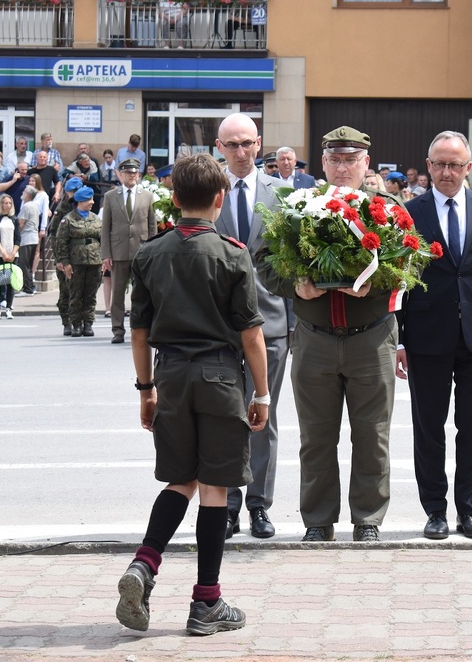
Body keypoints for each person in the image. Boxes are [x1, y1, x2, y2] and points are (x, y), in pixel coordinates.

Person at [115, 152, 269, 637]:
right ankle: (206, 603)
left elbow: (138, 331)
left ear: (174, 198)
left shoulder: (150, 253)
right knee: (215, 487)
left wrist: (146, 389)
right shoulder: (231, 252)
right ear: (220, 199)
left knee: (180, 478)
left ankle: (145, 564)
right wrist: (262, 394)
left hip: (171, 376)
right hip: (221, 377)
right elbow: (250, 334)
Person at [256, 126, 397, 544]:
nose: (342, 168)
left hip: (370, 337)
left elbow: (414, 263)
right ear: (322, 163)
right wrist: (295, 283)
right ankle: (318, 519)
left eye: (350, 160)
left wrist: (380, 280)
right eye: (335, 160)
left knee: (372, 434)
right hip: (314, 337)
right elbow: (264, 261)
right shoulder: (298, 207)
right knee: (316, 436)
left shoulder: (385, 209)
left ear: (365, 164)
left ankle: (368, 518)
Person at [396, 130, 472, 540]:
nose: (447, 172)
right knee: (428, 429)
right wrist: (400, 339)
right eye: (439, 164)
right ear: (428, 167)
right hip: (427, 336)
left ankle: (469, 509)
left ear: (468, 168)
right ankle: (435, 512)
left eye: (455, 164)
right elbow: (401, 281)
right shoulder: (409, 212)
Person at [213, 113, 291, 540]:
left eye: (247, 144)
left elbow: (293, 263)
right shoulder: (209, 192)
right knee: (227, 418)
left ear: (258, 144)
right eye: (232, 145)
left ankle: (260, 505)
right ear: (219, 147)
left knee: (264, 416)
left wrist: (292, 323)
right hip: (221, 327)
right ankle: (227, 506)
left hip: (272, 326)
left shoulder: (282, 193)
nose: (241, 153)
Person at [101, 158, 157, 344]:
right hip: (118, 252)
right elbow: (106, 227)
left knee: (141, 293)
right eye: (128, 173)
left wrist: (152, 250)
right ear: (121, 174)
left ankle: (140, 328)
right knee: (117, 294)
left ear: (138, 175)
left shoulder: (147, 196)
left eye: (134, 173)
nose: (132, 176)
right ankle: (118, 330)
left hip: (141, 251)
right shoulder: (111, 196)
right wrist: (106, 254)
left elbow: (152, 226)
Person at [55, 185, 102, 337]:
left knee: (90, 294)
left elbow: (104, 240)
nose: (92, 202)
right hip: (76, 262)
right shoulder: (68, 220)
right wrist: (65, 263)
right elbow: (61, 242)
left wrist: (105, 259)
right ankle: (76, 324)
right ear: (80, 201)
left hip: (94, 261)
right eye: (89, 199)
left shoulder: (96, 219)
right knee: (75, 294)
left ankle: (88, 324)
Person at [48, 177, 83, 335]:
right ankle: (66, 322)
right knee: (66, 290)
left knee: (80, 291)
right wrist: (59, 259)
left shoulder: (84, 206)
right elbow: (54, 234)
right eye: (71, 192)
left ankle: (79, 321)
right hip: (65, 255)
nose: (73, 195)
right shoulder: (62, 208)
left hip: (82, 256)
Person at [0, 194, 21, 320]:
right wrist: (2, 252)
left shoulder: (14, 219)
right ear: (1, 204)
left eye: (9, 203)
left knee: (9, 282)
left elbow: (18, 237)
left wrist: (13, 253)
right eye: (5, 203)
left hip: (12, 254)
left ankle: (8, 307)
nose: (7, 205)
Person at [17, 186, 42, 296]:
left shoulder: (26, 206)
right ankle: (30, 286)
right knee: (29, 263)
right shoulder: (35, 206)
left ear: (28, 194)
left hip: (26, 237)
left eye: (25, 191)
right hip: (34, 237)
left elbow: (21, 224)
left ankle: (27, 288)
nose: (23, 192)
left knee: (24, 264)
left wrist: (16, 236)